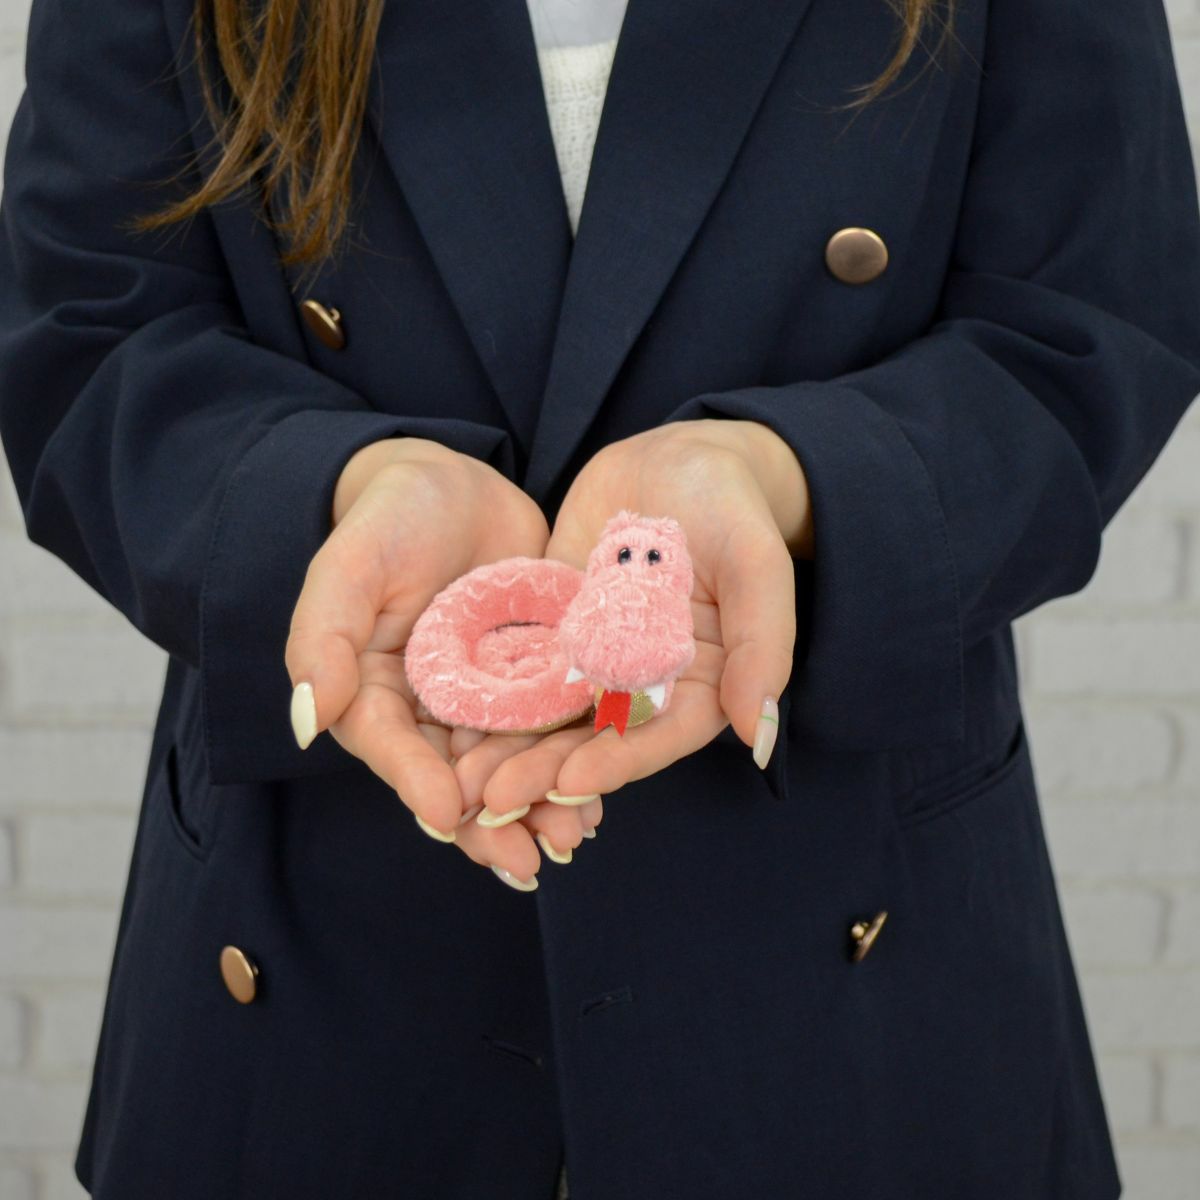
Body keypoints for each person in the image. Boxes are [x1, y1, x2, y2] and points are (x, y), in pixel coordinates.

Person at [0, 0, 1197, 1195]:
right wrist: (331, 495)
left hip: (853, 935)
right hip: (326, 953)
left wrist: (788, 476)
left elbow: (1092, 316)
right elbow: (84, 325)